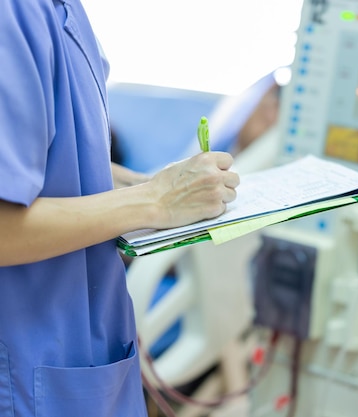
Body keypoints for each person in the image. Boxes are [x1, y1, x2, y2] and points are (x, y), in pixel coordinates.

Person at [0, 1, 240, 416]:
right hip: (23, 363)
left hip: (73, 351)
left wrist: (147, 183)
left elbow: (51, 159)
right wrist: (155, 201)